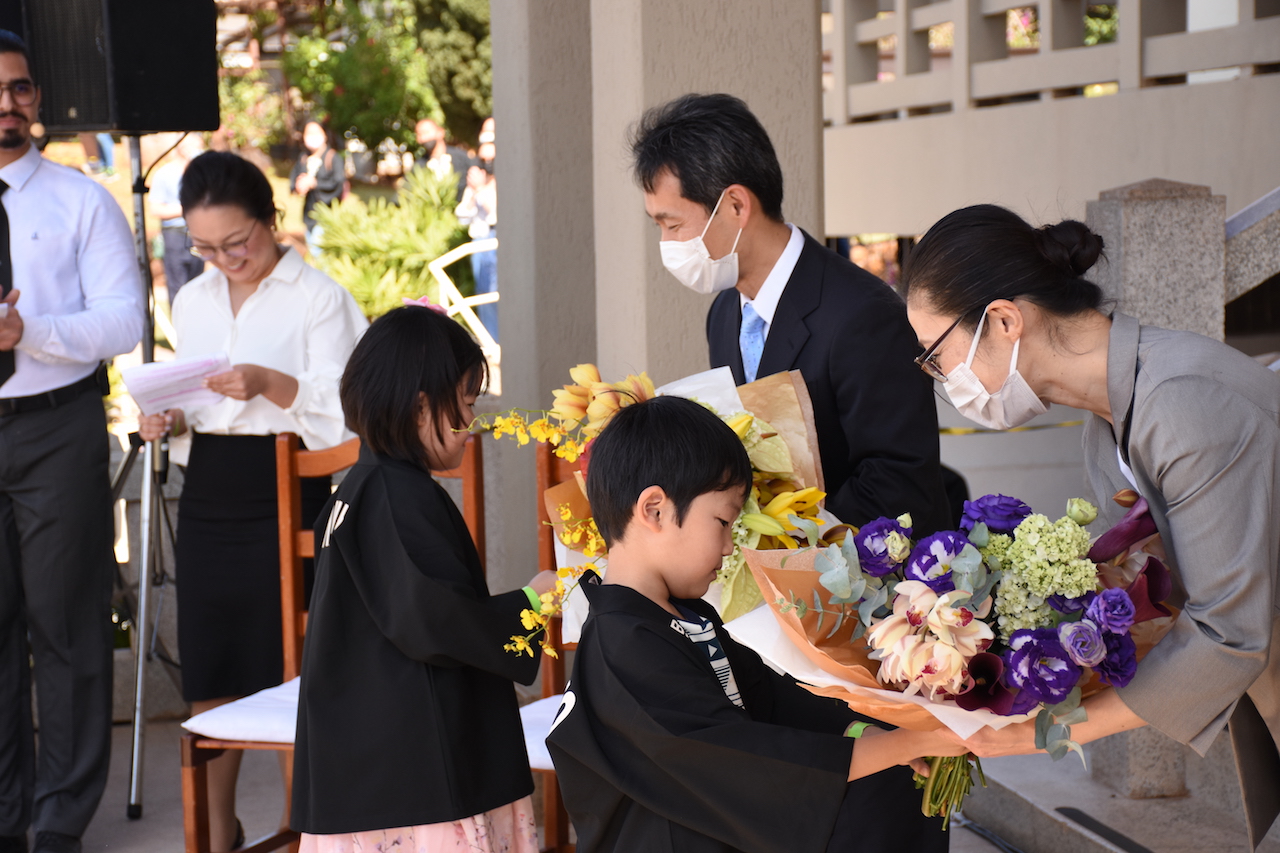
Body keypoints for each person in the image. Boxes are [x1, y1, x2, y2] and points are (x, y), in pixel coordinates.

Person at [901, 204, 1280, 846]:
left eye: (937, 356)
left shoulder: (1180, 399)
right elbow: (1136, 593)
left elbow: (1226, 632)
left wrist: (1033, 734)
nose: (943, 380)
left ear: (1003, 320)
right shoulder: (1107, 416)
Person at [546, 396, 962, 853]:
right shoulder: (620, 643)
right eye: (722, 521)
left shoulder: (684, 615)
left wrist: (868, 729)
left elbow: (770, 696)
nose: (728, 547)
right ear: (655, 510)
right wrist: (905, 745)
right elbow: (736, 760)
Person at [137, 151, 366, 853]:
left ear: (271, 219)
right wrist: (167, 419)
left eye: (236, 242)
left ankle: (307, 833)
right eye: (204, 246)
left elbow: (355, 413)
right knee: (213, 669)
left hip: (289, 486)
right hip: (208, 488)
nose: (223, 258)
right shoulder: (195, 297)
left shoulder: (317, 297)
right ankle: (214, 832)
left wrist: (273, 381)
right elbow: (193, 396)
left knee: (288, 671)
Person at [291, 305, 557, 851]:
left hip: (370, 763)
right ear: (420, 408)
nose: (471, 424)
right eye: (464, 404)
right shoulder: (399, 496)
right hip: (418, 779)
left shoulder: (355, 492)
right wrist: (532, 603)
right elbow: (434, 617)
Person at [630, 94, 951, 534]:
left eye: (673, 225)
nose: (668, 244)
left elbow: (900, 481)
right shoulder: (724, 313)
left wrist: (785, 534)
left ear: (736, 206)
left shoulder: (863, 315)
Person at [0, 31, 143, 853]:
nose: (9, 106)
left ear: (39, 98)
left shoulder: (82, 200)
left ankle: (58, 816)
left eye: (21, 89)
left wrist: (29, 330)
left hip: (56, 425)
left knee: (66, 625)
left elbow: (124, 321)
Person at [149, 133, 207, 306]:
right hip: (175, 235)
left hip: (197, 234)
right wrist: (186, 208)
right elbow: (155, 208)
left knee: (198, 282)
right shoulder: (164, 174)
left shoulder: (202, 174)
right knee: (177, 284)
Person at [454, 126, 497, 342]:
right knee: (484, 298)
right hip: (478, 243)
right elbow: (462, 214)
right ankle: (491, 342)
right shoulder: (476, 182)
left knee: (496, 295)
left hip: (495, 243)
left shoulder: (499, 183)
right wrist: (473, 192)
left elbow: (496, 215)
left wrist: (481, 190)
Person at [289, 120, 345, 258]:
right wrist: (299, 186)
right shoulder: (303, 158)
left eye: (316, 132)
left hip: (326, 213)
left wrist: (315, 183)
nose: (312, 137)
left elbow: (338, 183)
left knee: (319, 252)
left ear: (324, 134)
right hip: (309, 213)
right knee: (312, 250)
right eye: (309, 133)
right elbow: (294, 178)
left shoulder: (333, 158)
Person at [412, 117, 471, 199]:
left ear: (441, 132)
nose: (423, 138)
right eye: (419, 134)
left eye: (426, 132)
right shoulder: (419, 166)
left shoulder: (461, 157)